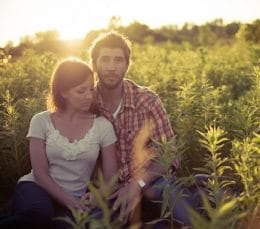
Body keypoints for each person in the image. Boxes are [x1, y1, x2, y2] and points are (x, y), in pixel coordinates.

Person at [90, 31, 195, 227]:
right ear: (94, 64)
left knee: (184, 215)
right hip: (110, 192)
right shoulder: (86, 103)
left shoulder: (147, 100)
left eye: (118, 60)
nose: (111, 67)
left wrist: (136, 185)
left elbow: (169, 154)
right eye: (105, 59)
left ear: (127, 65)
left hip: (153, 183)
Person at [0, 58, 118, 229]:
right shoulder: (41, 121)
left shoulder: (103, 126)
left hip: (76, 199)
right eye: (81, 91)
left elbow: (111, 179)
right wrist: (69, 202)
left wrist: (96, 195)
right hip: (36, 188)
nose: (89, 96)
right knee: (38, 215)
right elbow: (40, 174)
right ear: (63, 92)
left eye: (91, 89)